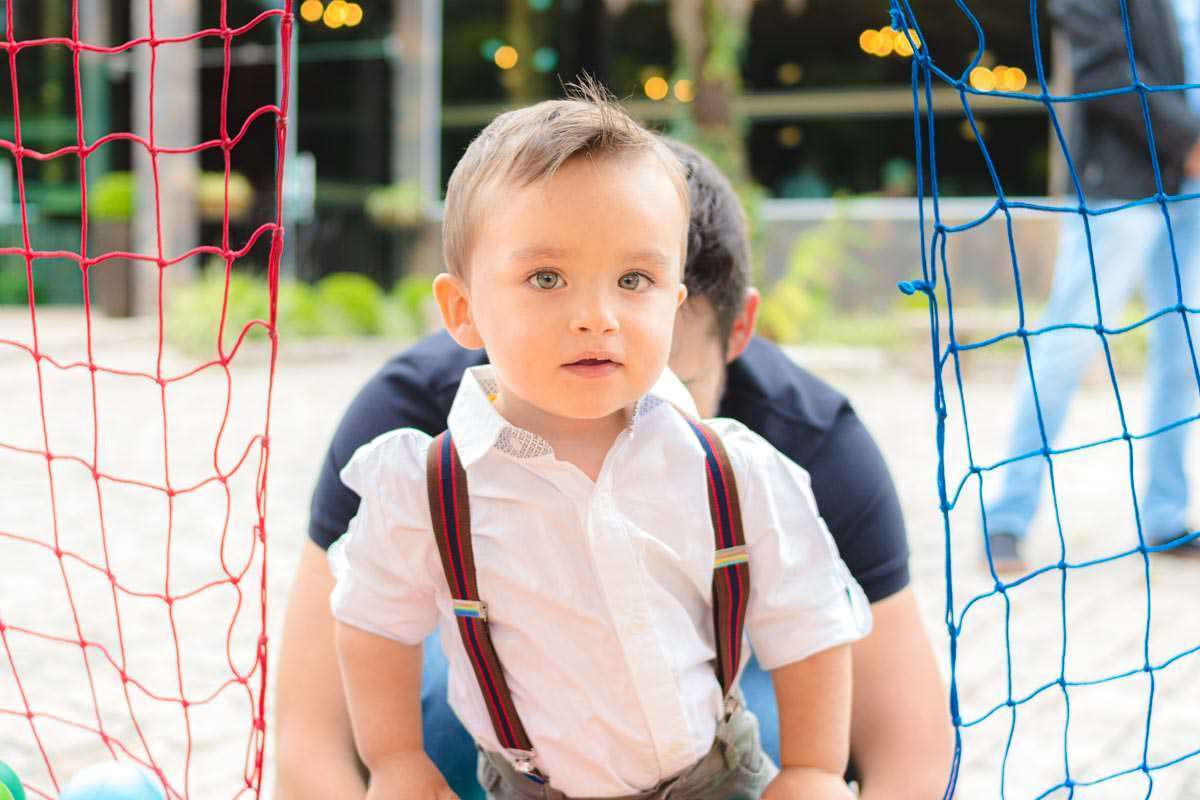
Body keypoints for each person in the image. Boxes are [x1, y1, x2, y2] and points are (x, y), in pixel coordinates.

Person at [276, 134, 952, 800]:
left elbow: (810, 620)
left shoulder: (735, 466)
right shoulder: (423, 479)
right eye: (547, 278)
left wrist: (814, 769)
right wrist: (394, 758)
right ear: (462, 310)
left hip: (712, 773)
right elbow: (370, 619)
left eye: (635, 280)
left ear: (676, 301)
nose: (596, 317)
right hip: (530, 782)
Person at [984, 0, 1200, 572]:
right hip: (1122, 184)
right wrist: (1190, 142)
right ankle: (1007, 515)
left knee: (1184, 357)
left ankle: (1166, 518)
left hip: (1191, 194)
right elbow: (1106, 68)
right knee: (1067, 346)